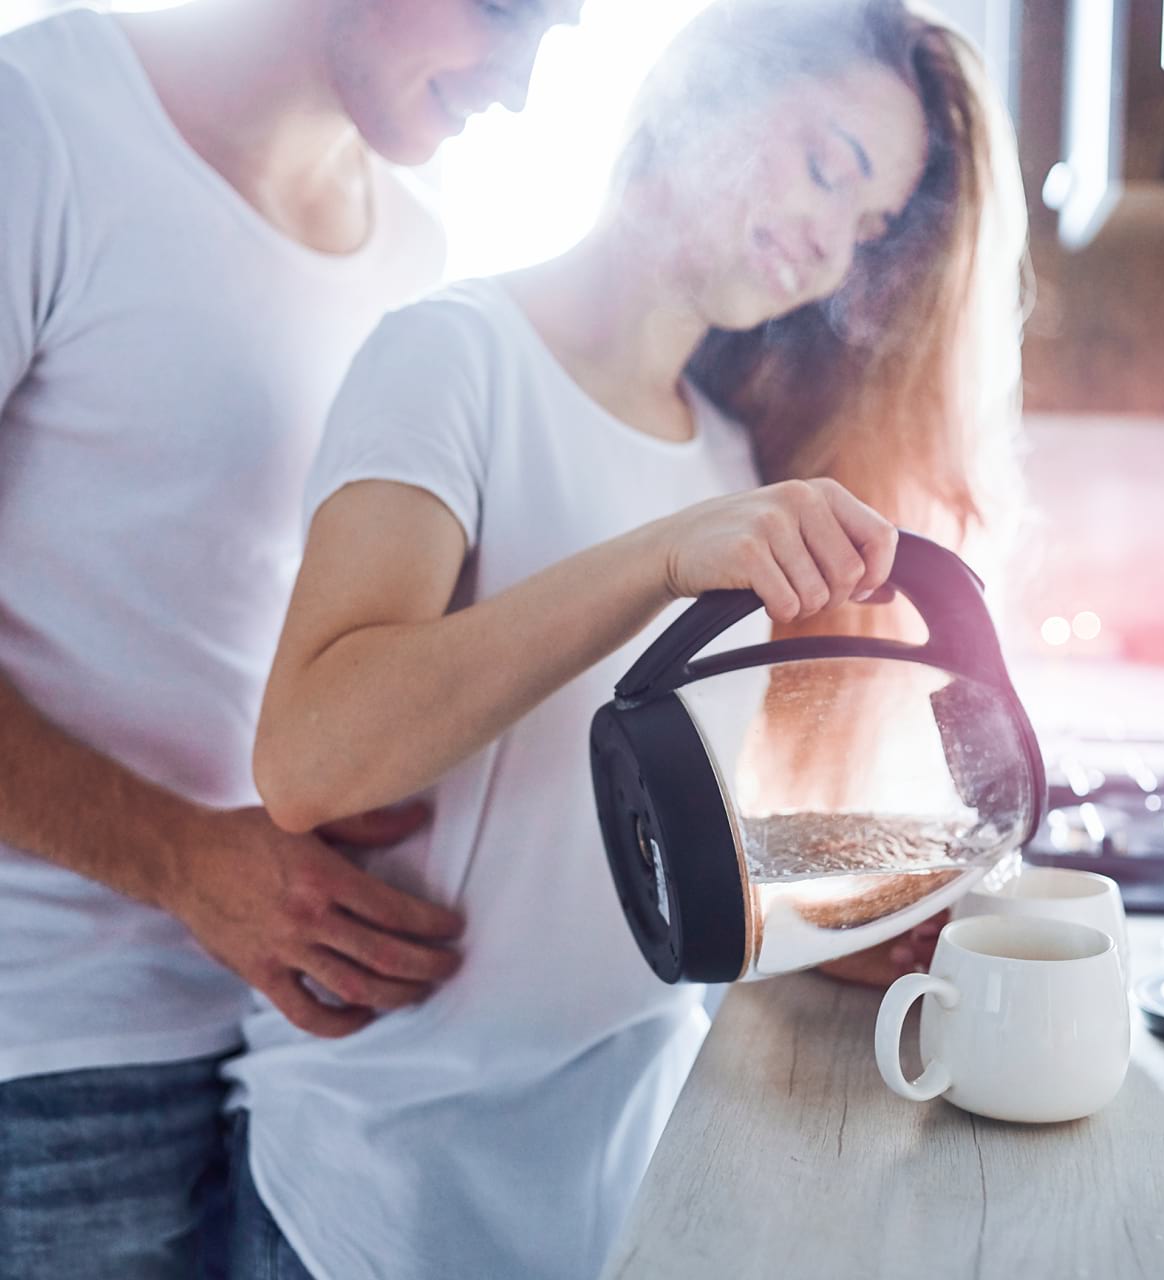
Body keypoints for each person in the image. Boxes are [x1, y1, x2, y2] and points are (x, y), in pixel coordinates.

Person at [234, 1, 1026, 1277]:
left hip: (616, 1175)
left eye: (870, 225)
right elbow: (310, 758)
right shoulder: (453, 355)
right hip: (373, 1188)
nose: (831, 241)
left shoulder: (724, 461)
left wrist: (819, 924)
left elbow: (624, 844)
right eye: (828, 165)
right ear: (701, 84)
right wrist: (656, 559)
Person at [0, 2, 580, 1276]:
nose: (522, 86)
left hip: (285, 1046)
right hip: (44, 1064)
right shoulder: (38, 123)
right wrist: (183, 862)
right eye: (503, 12)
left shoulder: (417, 252)